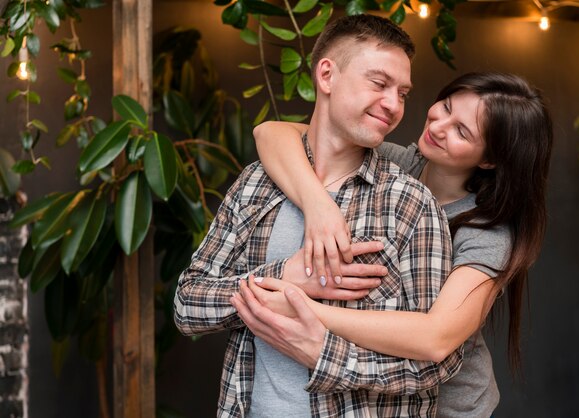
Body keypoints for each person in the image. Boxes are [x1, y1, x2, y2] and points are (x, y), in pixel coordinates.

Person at [174, 14, 462, 418]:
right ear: (326, 75)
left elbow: (440, 363)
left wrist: (325, 355)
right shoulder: (256, 183)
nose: (394, 105)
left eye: (403, 93)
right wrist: (281, 278)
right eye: (379, 84)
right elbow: (187, 304)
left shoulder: (408, 203)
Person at [232, 71, 554, 417]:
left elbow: (435, 339)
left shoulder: (487, 233)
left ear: (489, 159)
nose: (439, 126)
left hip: (448, 407)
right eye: (445, 107)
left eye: (462, 131)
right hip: (376, 396)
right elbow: (270, 132)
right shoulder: (396, 163)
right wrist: (318, 207)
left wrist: (301, 309)